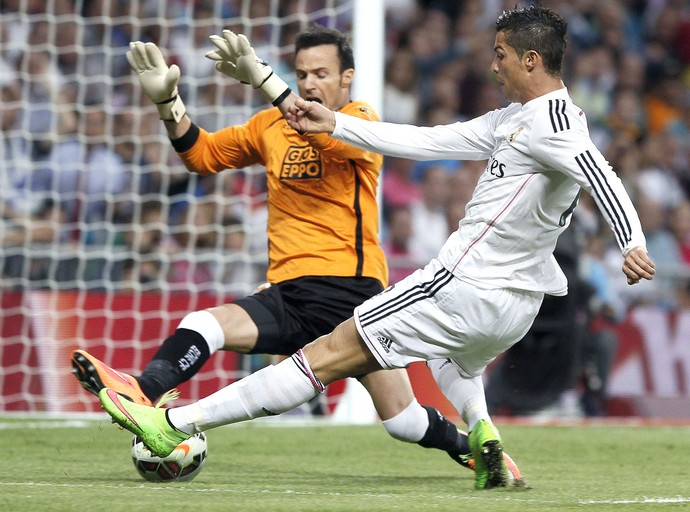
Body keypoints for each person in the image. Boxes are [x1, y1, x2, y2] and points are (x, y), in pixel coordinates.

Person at [95, 6, 655, 489]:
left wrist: (631, 240)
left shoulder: (555, 123)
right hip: (514, 307)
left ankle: (175, 423)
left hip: (462, 282)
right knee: (450, 361)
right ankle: (481, 431)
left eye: (502, 54)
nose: (493, 64)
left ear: (531, 60)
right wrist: (331, 120)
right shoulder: (515, 119)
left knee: (325, 356)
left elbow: (598, 172)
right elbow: (426, 139)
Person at [71, 24, 524, 483]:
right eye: (302, 72)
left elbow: (321, 132)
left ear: (346, 78)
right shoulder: (269, 126)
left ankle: (472, 448)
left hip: (351, 295)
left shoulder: (360, 118)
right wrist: (169, 106)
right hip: (289, 293)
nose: (309, 83)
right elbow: (202, 155)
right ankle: (141, 393)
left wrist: (266, 79)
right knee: (203, 324)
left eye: (321, 73)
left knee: (402, 421)